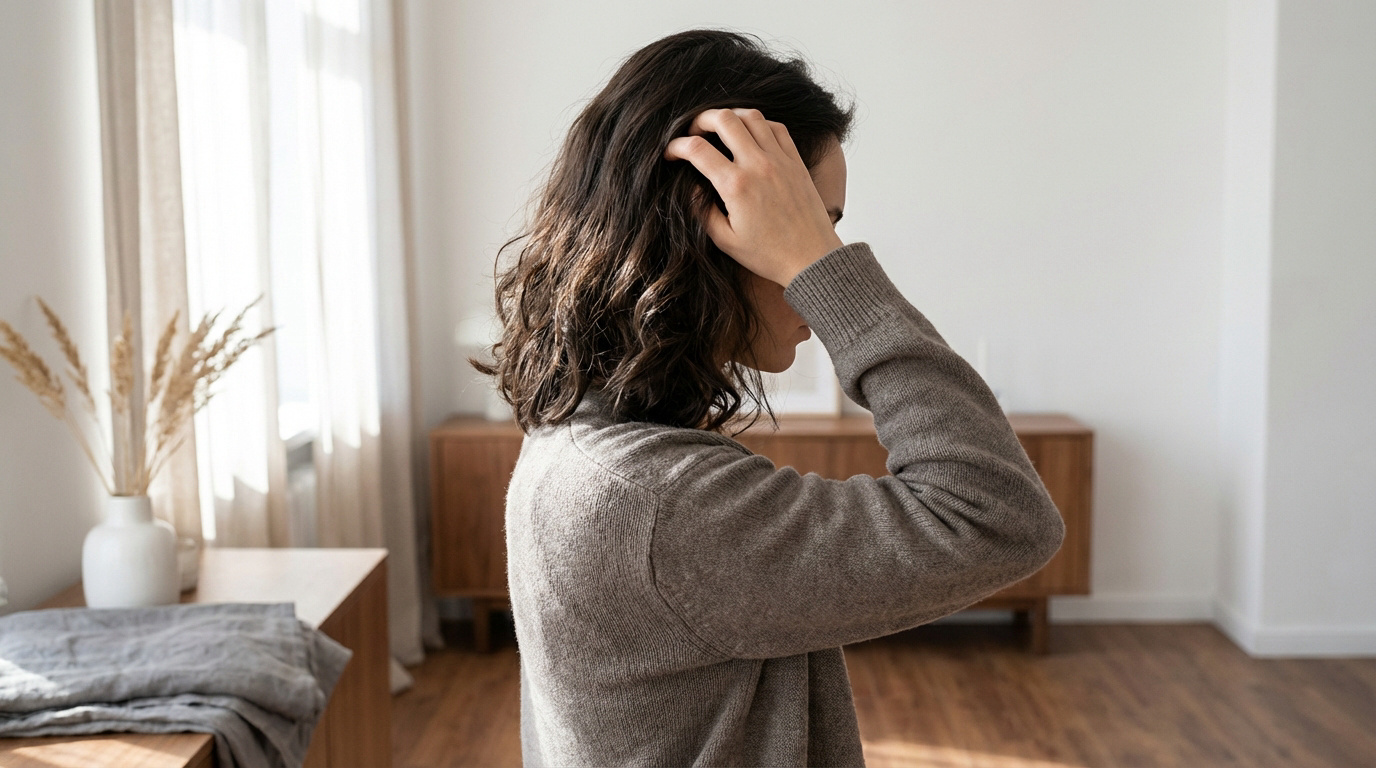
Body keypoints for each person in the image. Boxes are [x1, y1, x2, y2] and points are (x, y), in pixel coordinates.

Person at [474, 29, 1066, 767]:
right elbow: (998, 515)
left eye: (821, 234)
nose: (816, 262)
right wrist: (824, 268)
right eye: (811, 225)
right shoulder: (657, 501)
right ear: (709, 225)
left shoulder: (582, 444)